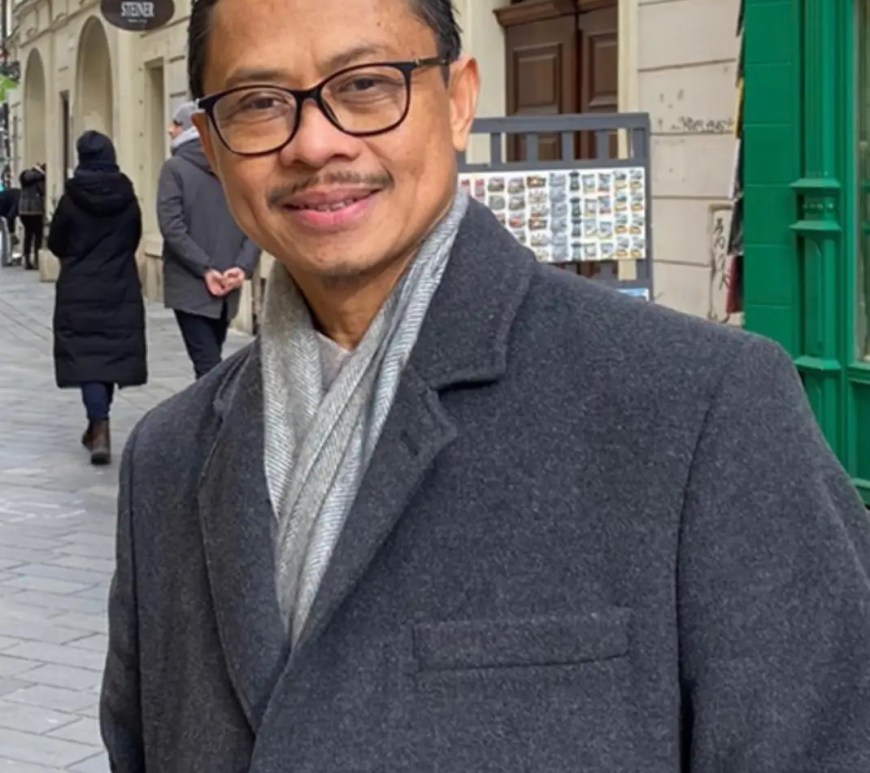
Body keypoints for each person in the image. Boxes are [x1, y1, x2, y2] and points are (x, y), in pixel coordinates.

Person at [99, 0, 870, 770]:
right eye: (260, 102)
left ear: (459, 99)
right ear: (212, 144)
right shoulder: (168, 460)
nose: (315, 143)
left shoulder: (699, 410)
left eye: (365, 85)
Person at [48, 131, 146, 466]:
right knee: (109, 356)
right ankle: (98, 424)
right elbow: (133, 236)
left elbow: (56, 242)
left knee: (88, 358)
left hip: (79, 289)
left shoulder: (71, 199)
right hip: (119, 287)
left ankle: (99, 425)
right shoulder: (127, 196)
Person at [157, 100, 261, 380]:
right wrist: (242, 266)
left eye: (176, 124)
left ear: (191, 128)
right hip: (228, 281)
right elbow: (256, 220)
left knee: (207, 367)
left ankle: (220, 409)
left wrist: (204, 268)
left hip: (191, 284)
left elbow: (171, 226)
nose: (170, 130)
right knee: (210, 361)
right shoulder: (235, 165)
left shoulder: (174, 169)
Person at [18, 162, 45, 270]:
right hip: (35, 210)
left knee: (28, 235)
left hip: (23, 210)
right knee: (38, 235)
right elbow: (43, 190)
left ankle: (27, 259)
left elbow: (25, 177)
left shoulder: (24, 175)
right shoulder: (39, 179)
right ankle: (37, 260)